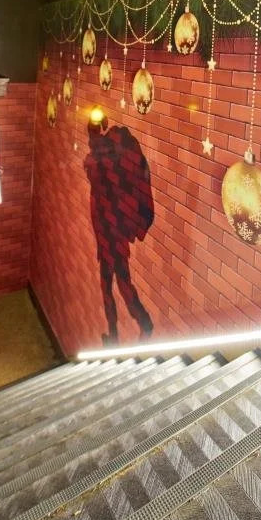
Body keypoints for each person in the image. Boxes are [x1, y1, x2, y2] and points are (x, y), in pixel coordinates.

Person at [84, 108, 154, 346]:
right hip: (110, 231)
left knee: (115, 282)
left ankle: (136, 324)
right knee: (116, 282)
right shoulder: (106, 161)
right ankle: (125, 329)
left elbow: (96, 169)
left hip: (111, 232)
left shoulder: (103, 164)